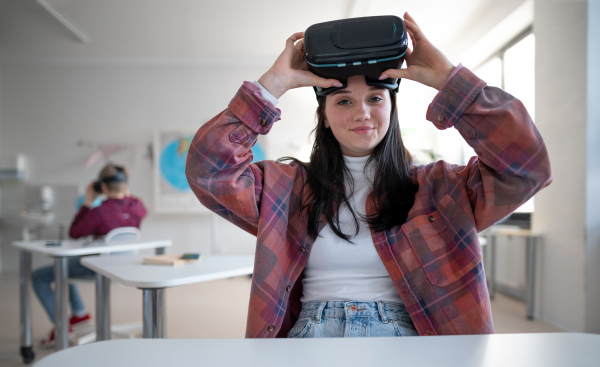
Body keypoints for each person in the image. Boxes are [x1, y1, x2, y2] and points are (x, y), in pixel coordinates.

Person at [185, 13, 552, 338]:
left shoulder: (442, 187)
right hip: (311, 335)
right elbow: (208, 170)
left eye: (375, 98)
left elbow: (526, 166)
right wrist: (273, 84)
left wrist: (449, 80)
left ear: (392, 108)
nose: (361, 112)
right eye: (344, 101)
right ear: (325, 117)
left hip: (405, 334)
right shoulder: (285, 188)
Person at [32, 163, 147, 347]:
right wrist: (126, 193)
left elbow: (75, 232)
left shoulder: (99, 211)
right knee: (68, 264)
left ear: (102, 186)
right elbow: (139, 208)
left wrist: (87, 201)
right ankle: (80, 314)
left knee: (39, 275)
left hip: (101, 268)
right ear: (125, 185)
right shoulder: (137, 206)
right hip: (126, 266)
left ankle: (61, 327)